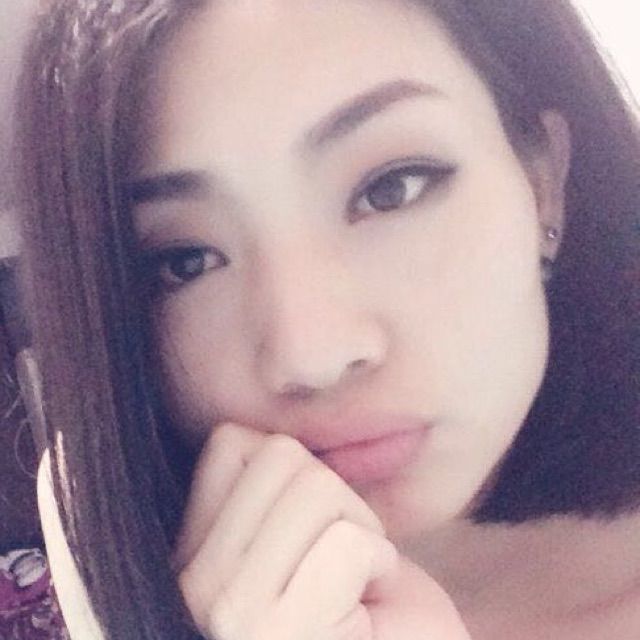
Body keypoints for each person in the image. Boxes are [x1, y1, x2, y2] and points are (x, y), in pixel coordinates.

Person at [15, 0, 640, 638]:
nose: (310, 357)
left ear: (542, 184)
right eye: (186, 261)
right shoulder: (122, 565)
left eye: (391, 189)